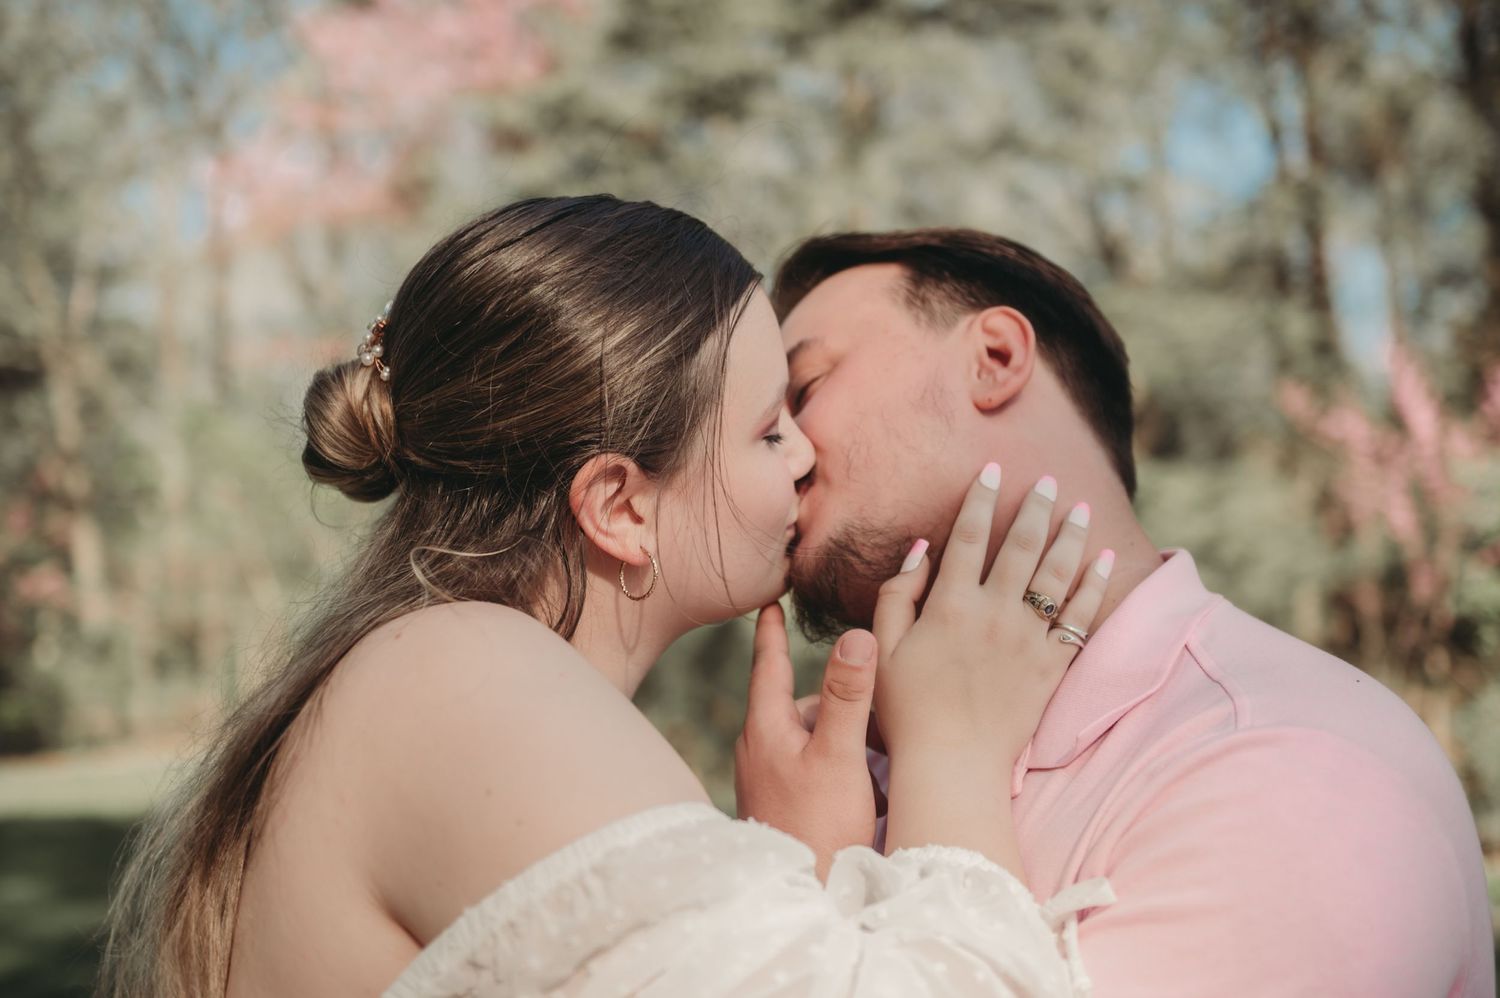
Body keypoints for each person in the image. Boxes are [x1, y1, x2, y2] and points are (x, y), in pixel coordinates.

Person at [97, 196, 1118, 998]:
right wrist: (953, 749)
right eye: (769, 427)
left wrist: (807, 867)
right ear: (621, 506)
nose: (807, 457)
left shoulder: (447, 668)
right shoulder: (469, 680)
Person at [770, 227, 1496, 998]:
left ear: (996, 359)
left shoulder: (1300, 774)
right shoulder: (845, 784)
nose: (781, 450)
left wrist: (939, 767)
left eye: (805, 389)